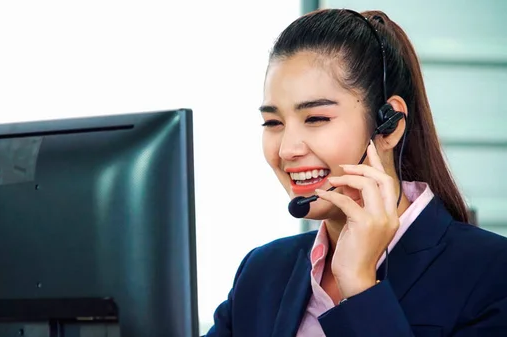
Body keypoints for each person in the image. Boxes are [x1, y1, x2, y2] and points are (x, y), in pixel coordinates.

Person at [204, 8, 507, 337]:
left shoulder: (492, 273)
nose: (287, 149)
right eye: (273, 123)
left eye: (316, 118)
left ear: (388, 125)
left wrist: (361, 289)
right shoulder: (261, 272)